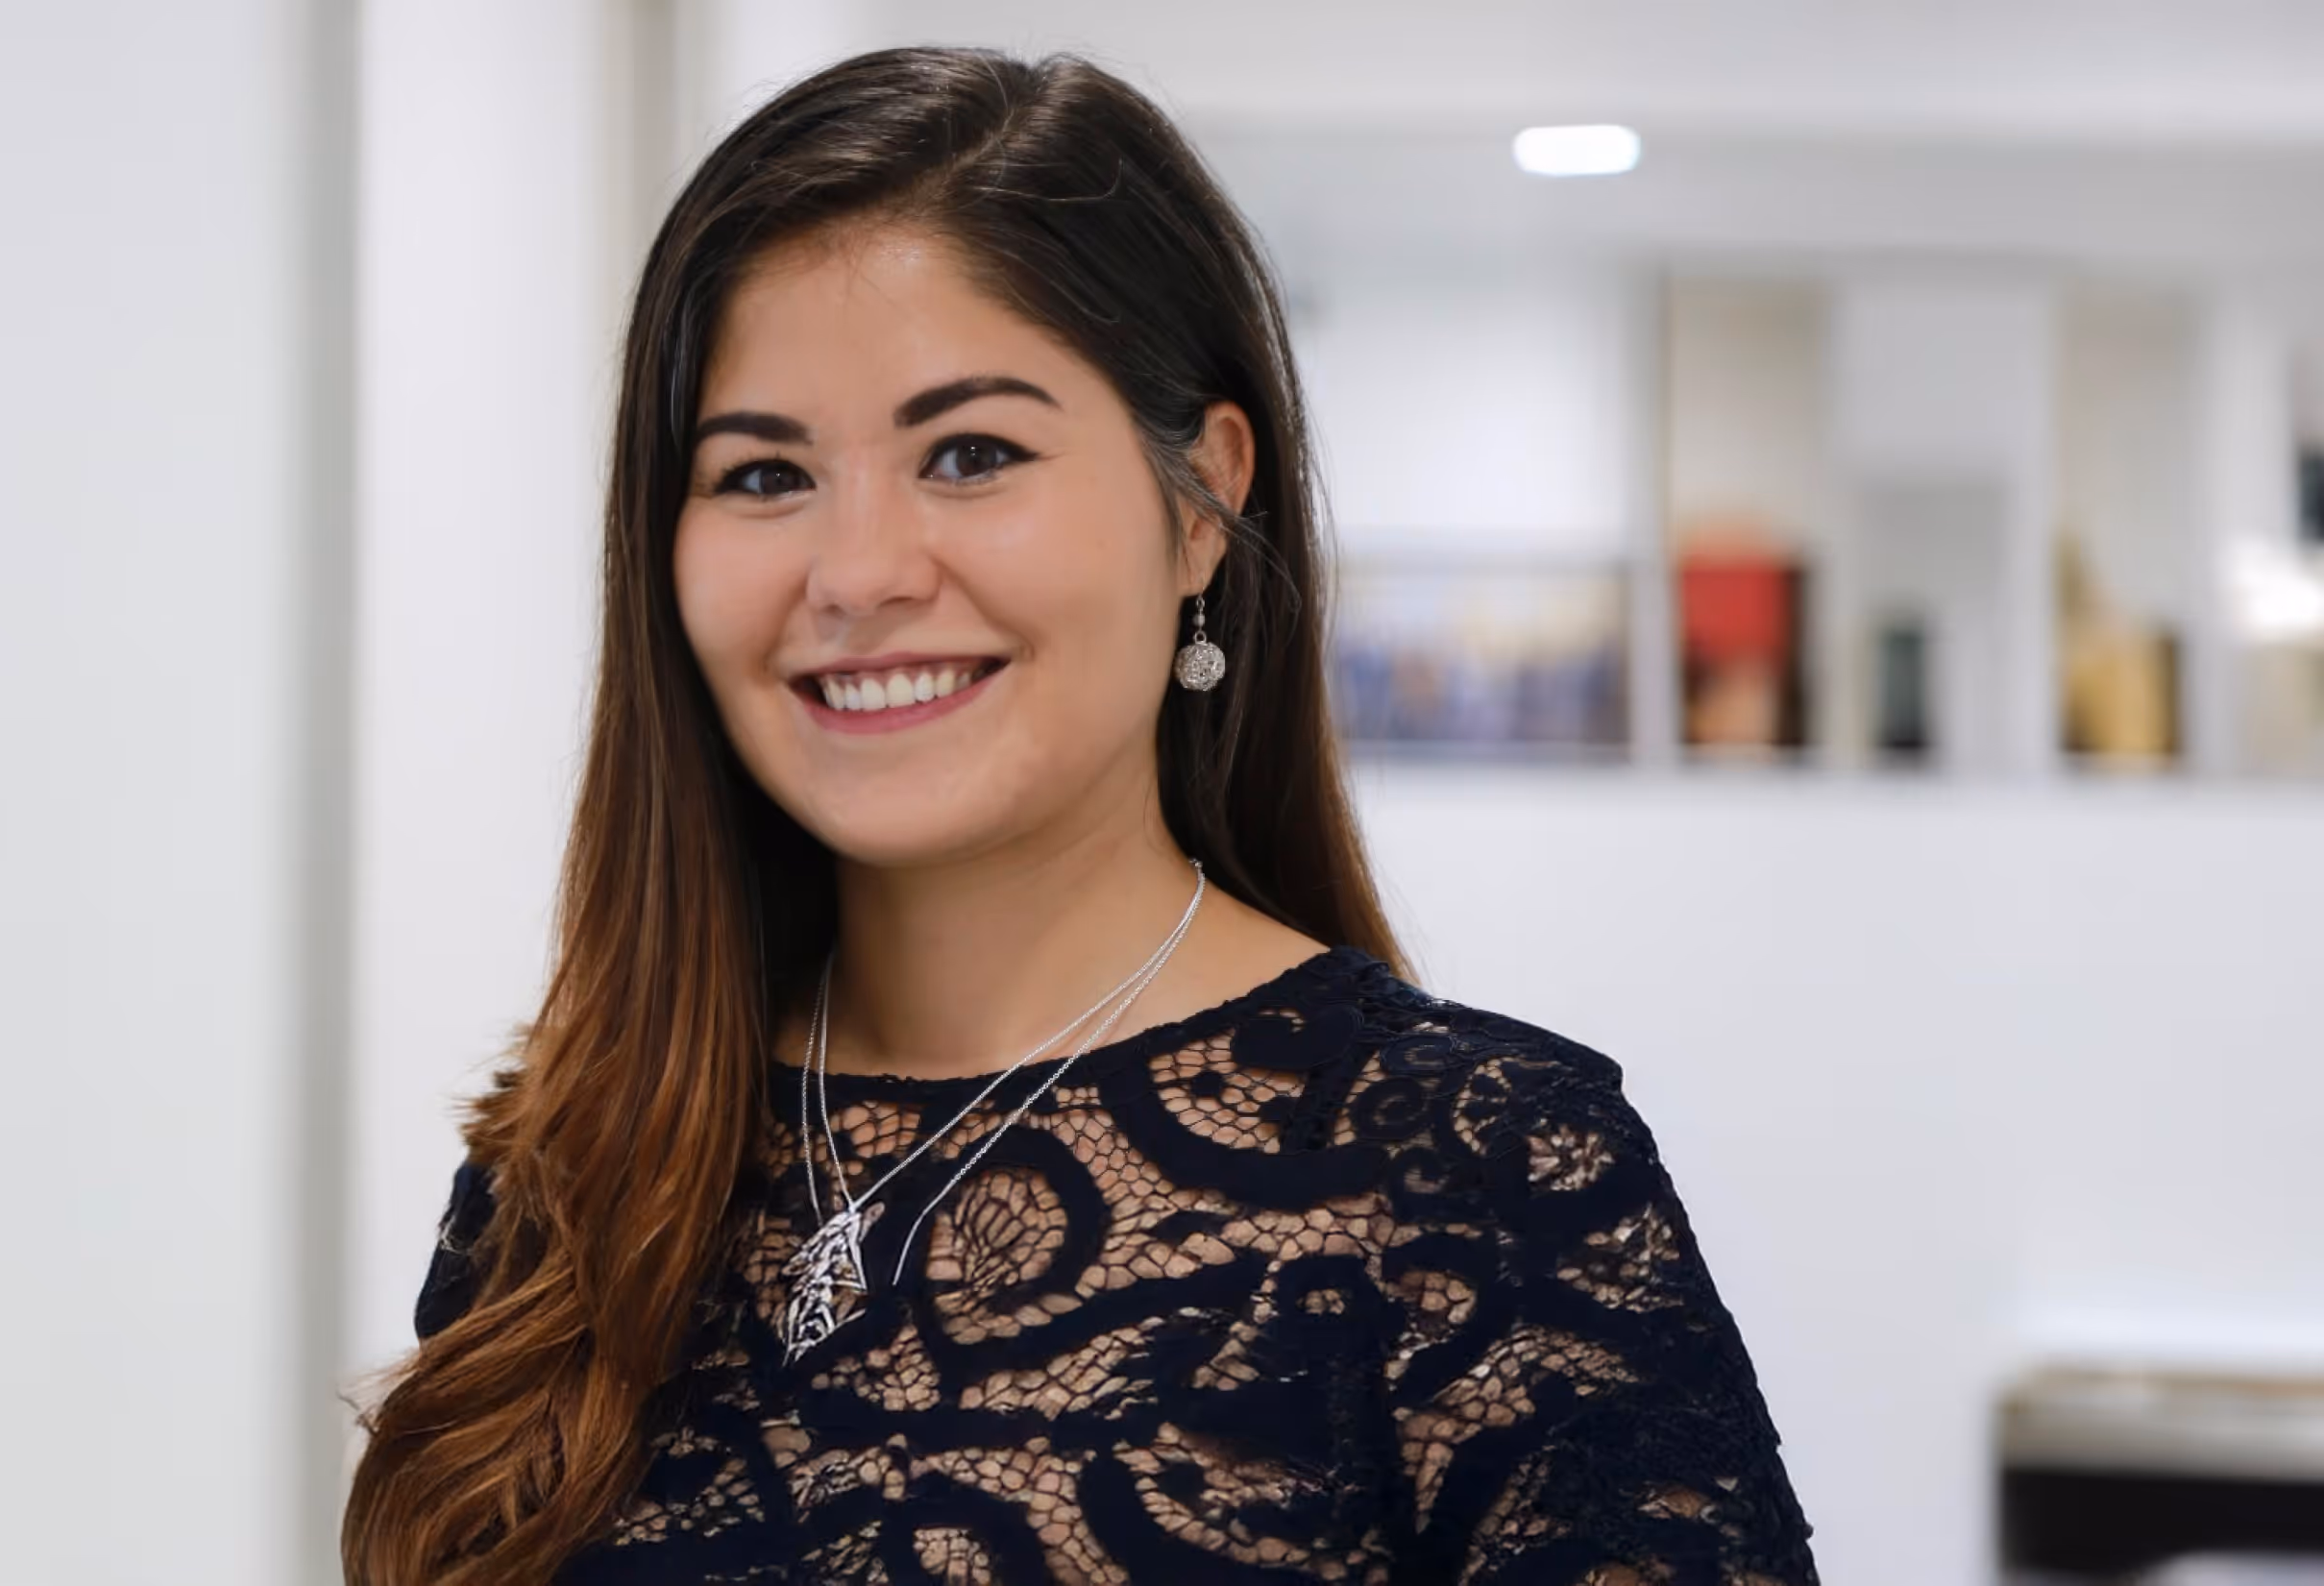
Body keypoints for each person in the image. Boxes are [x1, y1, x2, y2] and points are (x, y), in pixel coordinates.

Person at [343, 45, 1820, 1586]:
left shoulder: (1475, 1177)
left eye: (970, 454)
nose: (856, 573)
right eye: (764, 473)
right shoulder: (571, 1178)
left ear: (1199, 501)